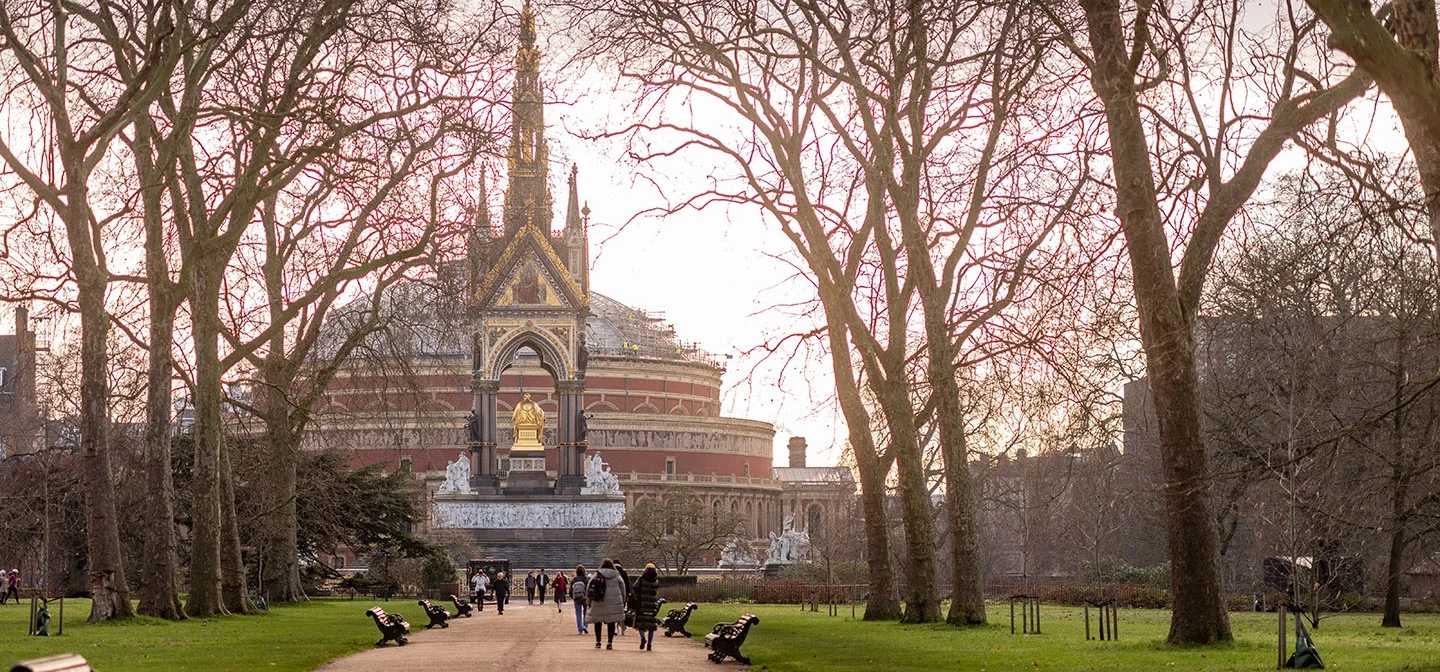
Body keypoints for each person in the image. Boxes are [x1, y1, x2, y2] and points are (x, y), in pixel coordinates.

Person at [585, 558, 626, 650]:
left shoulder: (596, 575)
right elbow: (623, 589)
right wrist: (623, 601)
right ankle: (609, 642)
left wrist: (589, 602)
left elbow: (589, 589)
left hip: (598, 600)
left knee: (598, 622)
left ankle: (598, 641)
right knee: (611, 622)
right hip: (613, 602)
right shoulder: (616, 576)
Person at [633, 564, 661, 651]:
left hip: (642, 604)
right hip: (651, 604)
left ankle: (642, 638)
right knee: (651, 626)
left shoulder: (641, 578)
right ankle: (649, 644)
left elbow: (635, 587)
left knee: (641, 623)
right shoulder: (655, 580)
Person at [615, 562, 633, 636]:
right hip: (623, 596)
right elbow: (627, 585)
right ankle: (623, 627)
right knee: (621, 612)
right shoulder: (624, 572)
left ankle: (615, 627)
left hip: (614, 595)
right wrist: (627, 595)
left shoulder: (612, 573)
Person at [570, 566, 589, 634]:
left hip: (577, 598)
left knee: (578, 613)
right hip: (584, 597)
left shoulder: (574, 580)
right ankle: (585, 626)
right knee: (586, 613)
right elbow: (588, 589)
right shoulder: (586, 579)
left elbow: (570, 590)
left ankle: (580, 629)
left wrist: (573, 597)